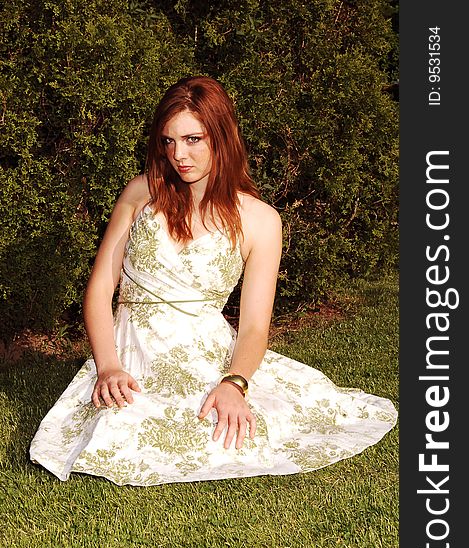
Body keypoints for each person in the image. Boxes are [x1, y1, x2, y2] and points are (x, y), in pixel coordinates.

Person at [29, 76, 397, 486]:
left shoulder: (261, 220)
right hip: (130, 349)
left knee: (241, 427)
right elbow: (100, 290)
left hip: (205, 351)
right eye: (168, 141)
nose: (178, 155)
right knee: (122, 429)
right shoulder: (140, 194)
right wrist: (108, 365)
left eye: (192, 139)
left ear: (223, 136)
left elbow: (256, 324)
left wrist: (234, 383)